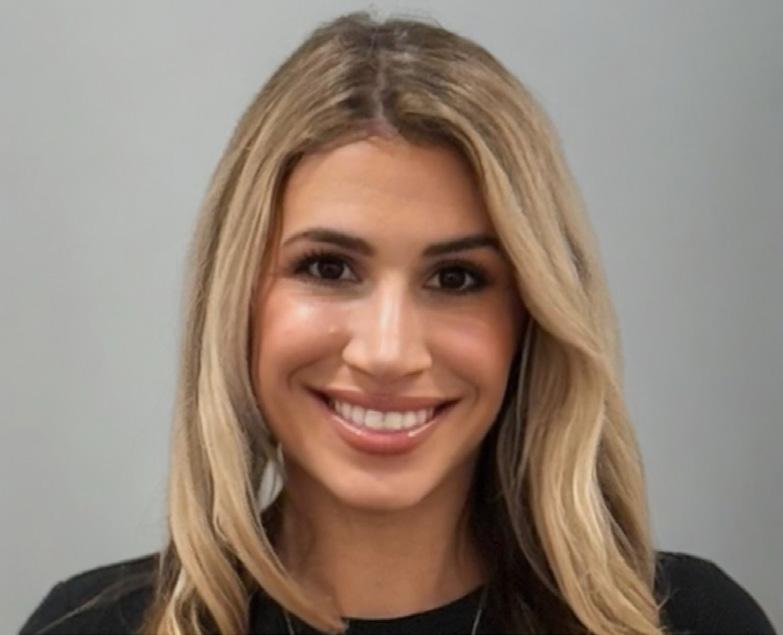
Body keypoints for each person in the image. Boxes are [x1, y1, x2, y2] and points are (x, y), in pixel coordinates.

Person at [19, 10, 777, 635]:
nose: (387, 352)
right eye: (328, 268)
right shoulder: (88, 626)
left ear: (532, 317)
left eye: (456, 279)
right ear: (238, 296)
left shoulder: (688, 620)